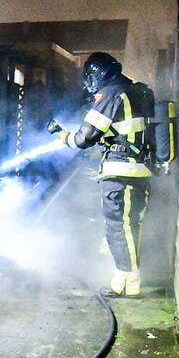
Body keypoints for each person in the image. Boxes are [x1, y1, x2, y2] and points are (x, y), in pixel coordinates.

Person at [47, 52, 153, 297]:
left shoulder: (111, 95)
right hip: (139, 171)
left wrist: (60, 134)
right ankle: (130, 282)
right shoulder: (137, 91)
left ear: (96, 76)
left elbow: (84, 137)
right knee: (130, 226)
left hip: (120, 172)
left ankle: (124, 280)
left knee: (118, 226)